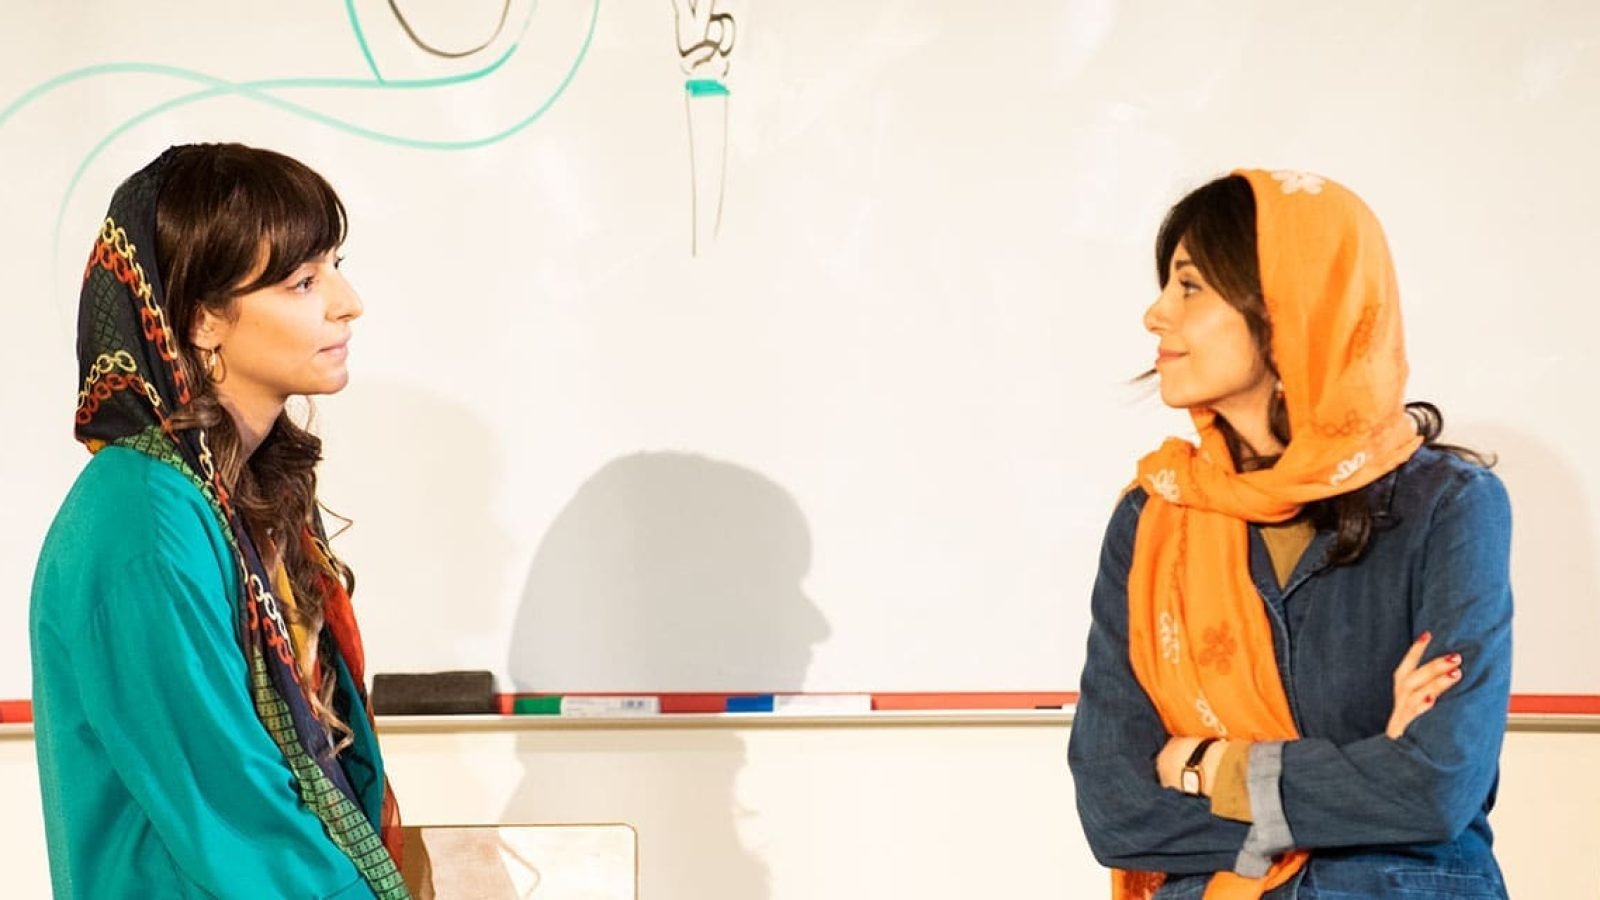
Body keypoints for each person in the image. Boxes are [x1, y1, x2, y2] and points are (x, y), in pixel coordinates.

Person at [1067, 170, 1513, 899]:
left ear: (1287, 308)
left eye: (1189, 287)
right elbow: (1116, 811)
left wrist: (1207, 765)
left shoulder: (1451, 506)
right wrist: (1366, 773)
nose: (1155, 315)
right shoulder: (1153, 519)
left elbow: (1437, 786)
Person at [30, 143, 410, 898]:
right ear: (204, 319)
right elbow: (228, 810)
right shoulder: (142, 513)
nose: (347, 301)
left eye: (334, 265)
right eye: (304, 281)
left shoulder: (254, 497)